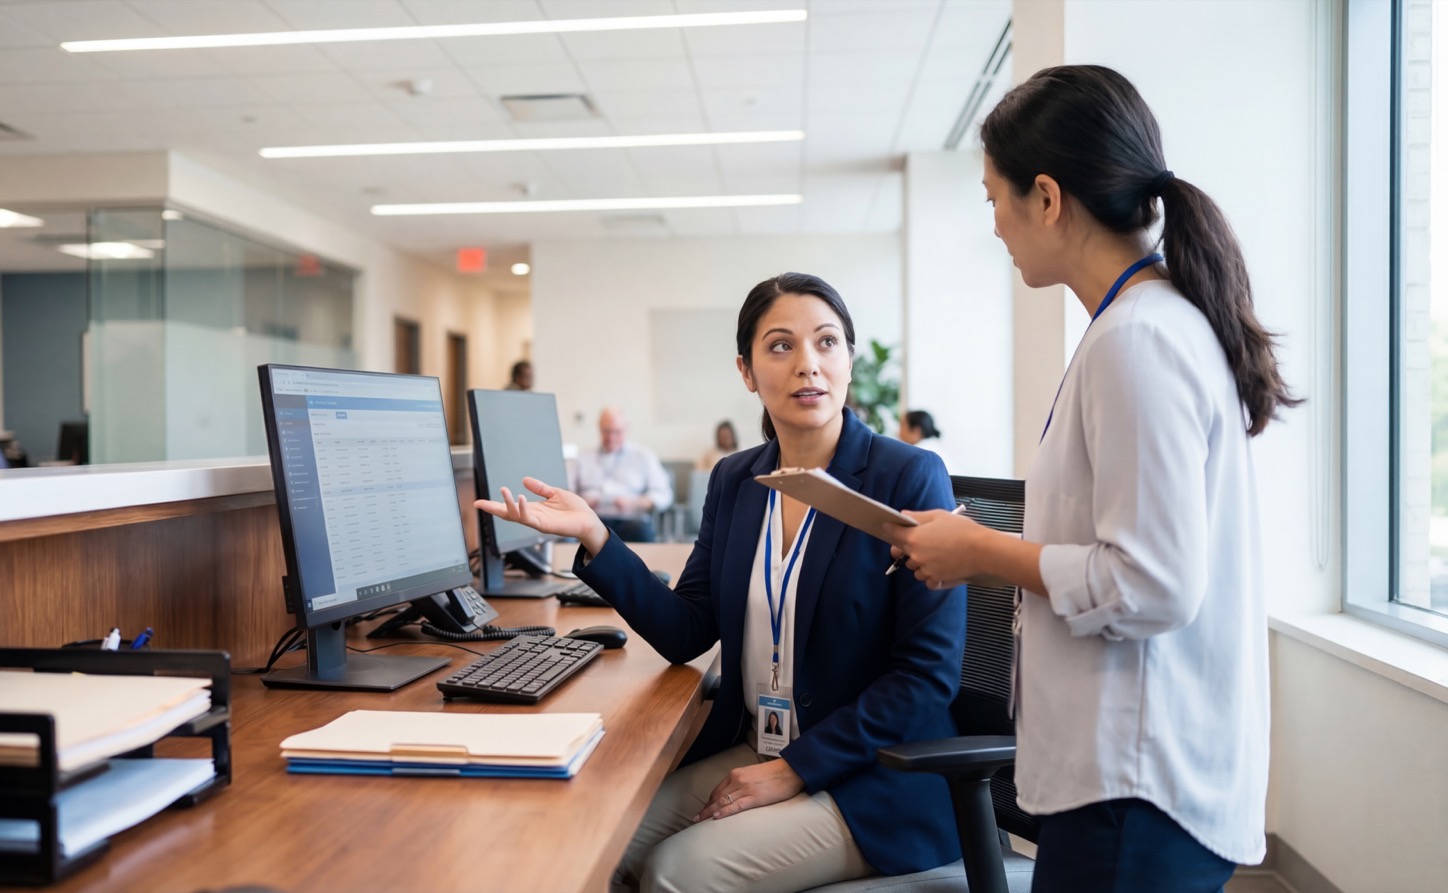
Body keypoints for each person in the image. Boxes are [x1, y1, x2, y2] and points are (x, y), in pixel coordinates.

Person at [883, 65, 1296, 893]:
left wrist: (981, 551)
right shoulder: (1146, 324)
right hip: (1134, 781)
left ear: (1046, 196)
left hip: (1134, 792)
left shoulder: (1138, 339)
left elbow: (1153, 582)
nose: (995, 225)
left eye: (995, 198)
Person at [476, 272, 966, 893]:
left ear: (846, 358)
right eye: (781, 346)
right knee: (594, 838)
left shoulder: (909, 476)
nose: (808, 365)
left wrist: (794, 768)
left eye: (827, 343)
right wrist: (597, 537)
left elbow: (926, 676)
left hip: (873, 775)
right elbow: (689, 628)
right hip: (759, 747)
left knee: (672, 875)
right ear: (747, 370)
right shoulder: (737, 480)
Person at [573, 407, 673, 542]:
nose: (611, 437)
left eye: (617, 432)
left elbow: (664, 495)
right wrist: (582, 503)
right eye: (606, 431)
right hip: (591, 518)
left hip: (630, 520)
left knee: (641, 531)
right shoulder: (582, 456)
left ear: (627, 430)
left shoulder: (643, 456)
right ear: (599, 428)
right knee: (570, 532)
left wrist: (635, 503)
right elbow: (566, 490)